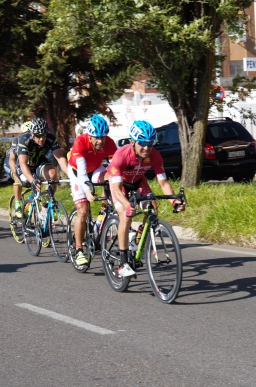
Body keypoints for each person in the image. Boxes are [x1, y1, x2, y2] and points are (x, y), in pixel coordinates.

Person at [107, 120, 185, 277]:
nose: (147, 147)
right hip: (119, 184)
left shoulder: (155, 156)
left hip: (138, 182)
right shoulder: (121, 155)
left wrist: (174, 201)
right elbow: (116, 188)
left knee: (152, 210)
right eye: (142, 143)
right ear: (133, 141)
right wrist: (127, 204)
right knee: (126, 215)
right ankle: (123, 263)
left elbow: (163, 182)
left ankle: (137, 239)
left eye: (150, 143)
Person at [68, 115, 117, 267]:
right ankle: (78, 250)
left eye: (103, 137)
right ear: (89, 135)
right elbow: (82, 174)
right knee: (83, 211)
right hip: (78, 173)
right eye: (96, 138)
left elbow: (115, 168)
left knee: (110, 177)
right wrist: (88, 191)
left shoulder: (109, 143)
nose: (100, 141)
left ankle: (103, 210)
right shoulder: (80, 142)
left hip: (95, 169)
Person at [12, 117, 69, 219]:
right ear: (32, 133)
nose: (42, 139)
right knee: (26, 182)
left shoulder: (51, 139)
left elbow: (60, 159)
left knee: (52, 174)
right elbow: (23, 163)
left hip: (38, 162)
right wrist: (32, 180)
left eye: (44, 135)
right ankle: (21, 204)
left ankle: (45, 207)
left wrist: (72, 176)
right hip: (25, 165)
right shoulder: (24, 139)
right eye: (38, 136)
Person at [3, 121, 31, 187]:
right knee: (17, 178)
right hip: (10, 161)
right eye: (27, 133)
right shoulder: (17, 141)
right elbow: (11, 160)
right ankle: (17, 197)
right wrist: (16, 173)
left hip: (20, 162)